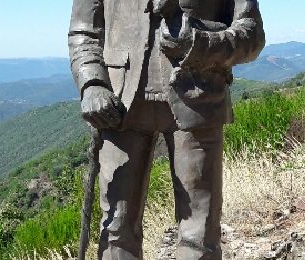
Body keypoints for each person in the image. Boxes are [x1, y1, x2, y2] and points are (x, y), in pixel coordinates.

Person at [68, 0, 265, 259]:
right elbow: (84, 32)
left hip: (199, 102)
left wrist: (200, 43)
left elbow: (252, 35)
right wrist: (92, 83)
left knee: (199, 232)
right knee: (116, 229)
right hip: (120, 108)